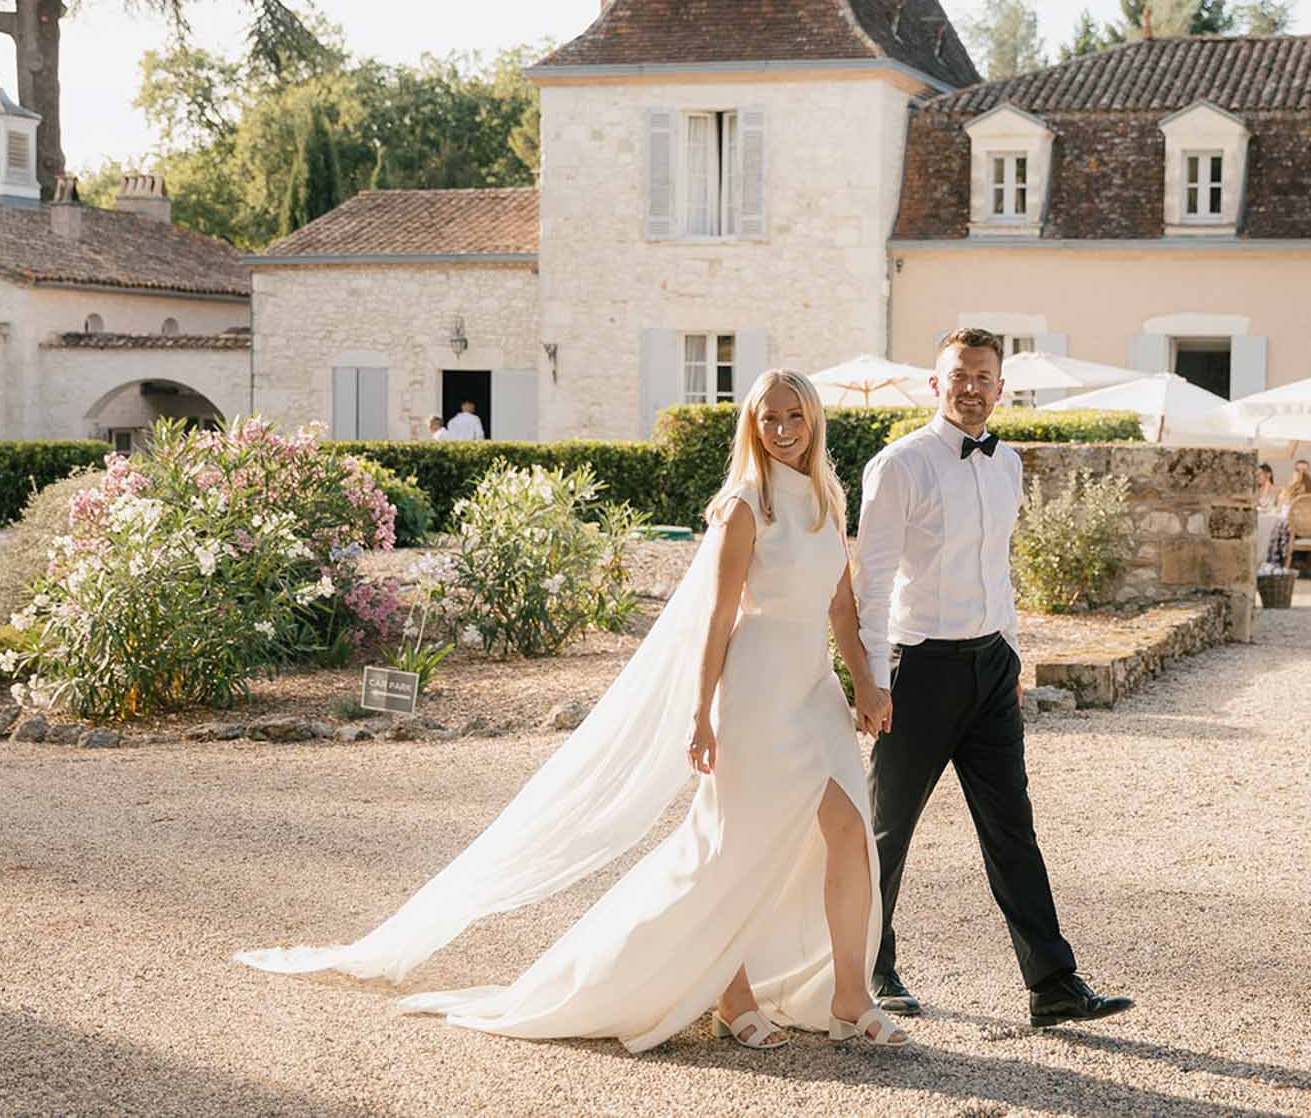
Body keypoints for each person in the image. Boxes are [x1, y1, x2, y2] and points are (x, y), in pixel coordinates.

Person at [236, 369, 908, 1052]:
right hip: (757, 691)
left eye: (794, 416)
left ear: (814, 419)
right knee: (733, 850)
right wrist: (700, 713)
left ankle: (849, 995)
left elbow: (841, 606)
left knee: (850, 832)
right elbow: (716, 617)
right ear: (752, 426)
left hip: (814, 692)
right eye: (769, 418)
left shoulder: (827, 497)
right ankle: (730, 993)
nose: (783, 430)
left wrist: (866, 683)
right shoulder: (743, 506)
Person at [854, 327, 1133, 1030]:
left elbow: (997, 571)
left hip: (991, 669)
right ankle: (868, 968)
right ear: (935, 383)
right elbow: (874, 578)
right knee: (886, 830)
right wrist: (872, 677)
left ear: (1001, 388)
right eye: (959, 376)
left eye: (984, 377)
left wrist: (1011, 656)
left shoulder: (1006, 464)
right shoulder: (899, 465)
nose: (971, 388)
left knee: (1014, 830)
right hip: (917, 669)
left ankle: (1053, 984)